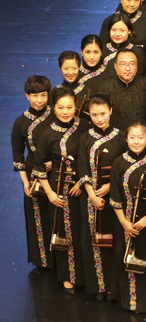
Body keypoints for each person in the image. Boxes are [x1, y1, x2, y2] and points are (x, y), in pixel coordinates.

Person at [34, 87, 86, 294]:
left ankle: (84, 275)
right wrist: (50, 194)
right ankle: (67, 276)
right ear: (53, 109)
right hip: (59, 192)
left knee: (83, 232)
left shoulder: (83, 127)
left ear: (76, 107)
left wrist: (82, 183)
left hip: (82, 190)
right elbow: (39, 168)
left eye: (70, 107)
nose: (66, 112)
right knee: (65, 234)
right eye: (61, 108)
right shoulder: (48, 134)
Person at [75, 94, 126, 300]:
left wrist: (108, 187)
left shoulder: (121, 137)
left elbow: (124, 168)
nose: (100, 119)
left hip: (114, 198)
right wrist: (92, 195)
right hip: (91, 199)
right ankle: (99, 286)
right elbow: (82, 169)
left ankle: (115, 287)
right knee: (93, 242)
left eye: (103, 114)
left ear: (111, 111)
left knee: (114, 241)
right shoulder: (85, 138)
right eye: (95, 115)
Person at [109, 122, 146, 314]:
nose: (136, 141)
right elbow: (114, 196)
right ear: (126, 139)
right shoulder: (119, 163)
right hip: (124, 222)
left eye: (140, 137)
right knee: (125, 258)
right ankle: (128, 302)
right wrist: (124, 222)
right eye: (132, 137)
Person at [11, 75, 54, 274]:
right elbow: (18, 155)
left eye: (43, 95)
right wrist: (25, 182)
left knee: (57, 216)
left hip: (56, 173)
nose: (39, 100)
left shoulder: (56, 114)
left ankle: (60, 259)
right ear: (27, 96)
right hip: (32, 175)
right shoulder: (21, 122)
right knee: (37, 218)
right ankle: (43, 261)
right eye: (35, 95)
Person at [98, 49, 146, 133]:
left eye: (132, 64)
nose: (127, 68)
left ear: (137, 66)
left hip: (140, 139)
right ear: (115, 66)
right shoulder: (105, 88)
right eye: (123, 64)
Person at [101, 13, 145, 77]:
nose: (117, 34)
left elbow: (140, 76)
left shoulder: (136, 52)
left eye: (122, 30)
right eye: (114, 30)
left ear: (129, 31)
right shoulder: (102, 50)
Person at [54, 51, 91, 123]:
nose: (70, 73)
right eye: (66, 68)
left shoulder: (88, 91)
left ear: (79, 67)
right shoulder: (54, 92)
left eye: (74, 68)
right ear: (60, 68)